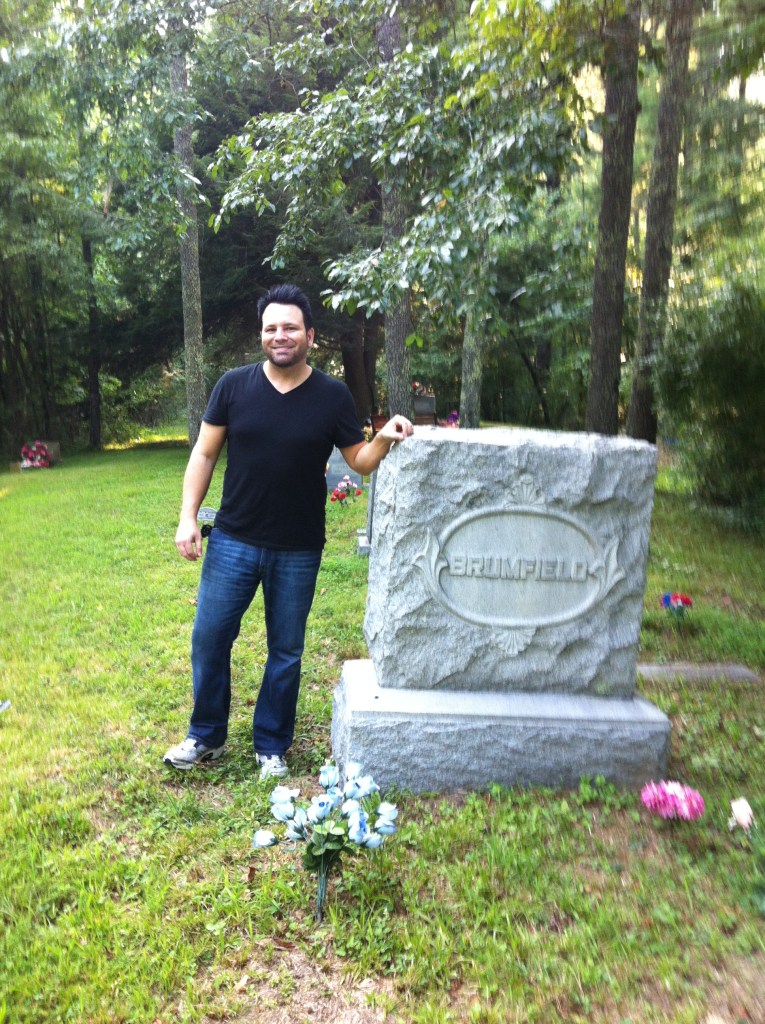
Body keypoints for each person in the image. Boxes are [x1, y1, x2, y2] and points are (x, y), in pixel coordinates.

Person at [163, 283, 413, 778]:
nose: (281, 335)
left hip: (298, 547)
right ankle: (206, 735)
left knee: (286, 650)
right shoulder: (233, 386)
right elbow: (205, 453)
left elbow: (358, 462)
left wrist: (382, 438)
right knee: (210, 637)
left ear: (310, 335)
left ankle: (271, 744)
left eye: (291, 327)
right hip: (233, 539)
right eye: (272, 328)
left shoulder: (332, 396)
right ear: (262, 334)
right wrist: (188, 515)